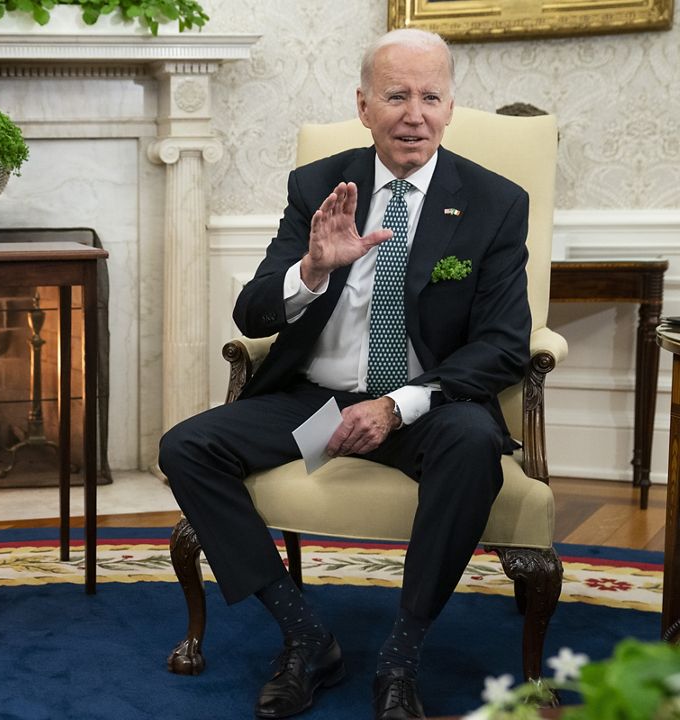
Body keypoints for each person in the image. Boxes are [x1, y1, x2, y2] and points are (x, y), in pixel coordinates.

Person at [159, 28, 531, 720]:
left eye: (429, 96)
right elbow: (253, 313)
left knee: (474, 442)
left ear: (451, 108)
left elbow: (505, 346)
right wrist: (313, 271)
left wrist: (396, 407)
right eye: (395, 96)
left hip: (424, 411)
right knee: (186, 446)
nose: (412, 114)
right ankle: (306, 636)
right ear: (364, 107)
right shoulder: (319, 186)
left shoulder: (493, 202)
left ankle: (400, 660)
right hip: (319, 408)